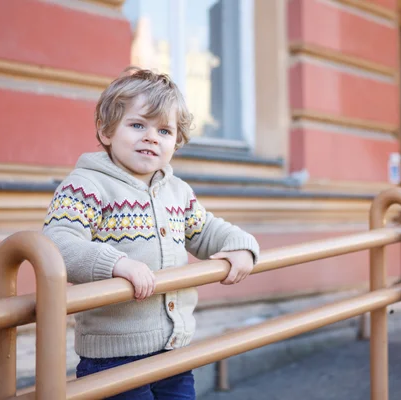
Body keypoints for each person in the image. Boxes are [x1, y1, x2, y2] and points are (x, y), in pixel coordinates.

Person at [42, 67, 260, 399]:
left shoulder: (178, 192)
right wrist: (116, 264)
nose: (151, 137)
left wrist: (242, 246)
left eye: (164, 130)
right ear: (106, 131)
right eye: (137, 125)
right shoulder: (86, 185)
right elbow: (57, 243)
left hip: (174, 353)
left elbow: (207, 231)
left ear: (177, 141)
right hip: (114, 358)